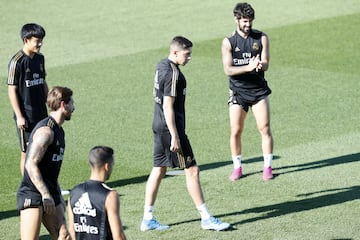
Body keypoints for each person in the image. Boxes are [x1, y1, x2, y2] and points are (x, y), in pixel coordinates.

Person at [141, 36, 231, 232]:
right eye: (187, 54)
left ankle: (147, 218)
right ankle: (206, 217)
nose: (189, 58)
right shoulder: (173, 74)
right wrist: (174, 134)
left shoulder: (161, 65)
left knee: (159, 168)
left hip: (158, 124)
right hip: (170, 128)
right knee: (192, 170)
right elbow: (167, 105)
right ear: (175, 52)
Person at [221, 2, 274, 181]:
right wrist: (248, 66)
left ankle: (267, 167)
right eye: (244, 21)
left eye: (250, 21)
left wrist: (260, 64)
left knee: (264, 128)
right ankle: (238, 167)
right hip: (238, 92)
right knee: (236, 130)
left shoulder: (261, 38)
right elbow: (228, 70)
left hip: (258, 91)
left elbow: (266, 63)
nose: (248, 24)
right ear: (236, 19)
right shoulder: (228, 42)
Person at [16, 86, 74, 240]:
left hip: (50, 190)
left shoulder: (59, 131)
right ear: (63, 105)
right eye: (72, 104)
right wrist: (45, 194)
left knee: (64, 235)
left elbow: (50, 168)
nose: (73, 108)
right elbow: (30, 164)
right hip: (33, 192)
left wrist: (56, 193)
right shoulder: (46, 132)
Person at [7, 23, 49, 176]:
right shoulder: (17, 62)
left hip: (41, 113)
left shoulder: (40, 58)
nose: (40, 44)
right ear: (26, 40)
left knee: (44, 148)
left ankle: (46, 184)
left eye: (41, 40)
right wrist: (19, 116)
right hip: (26, 116)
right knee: (26, 152)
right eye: (37, 40)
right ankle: (28, 187)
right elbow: (11, 89)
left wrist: (50, 101)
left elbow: (42, 81)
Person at [68, 146, 127, 240]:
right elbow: (118, 236)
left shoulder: (74, 192)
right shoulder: (110, 195)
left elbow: (72, 232)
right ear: (107, 166)